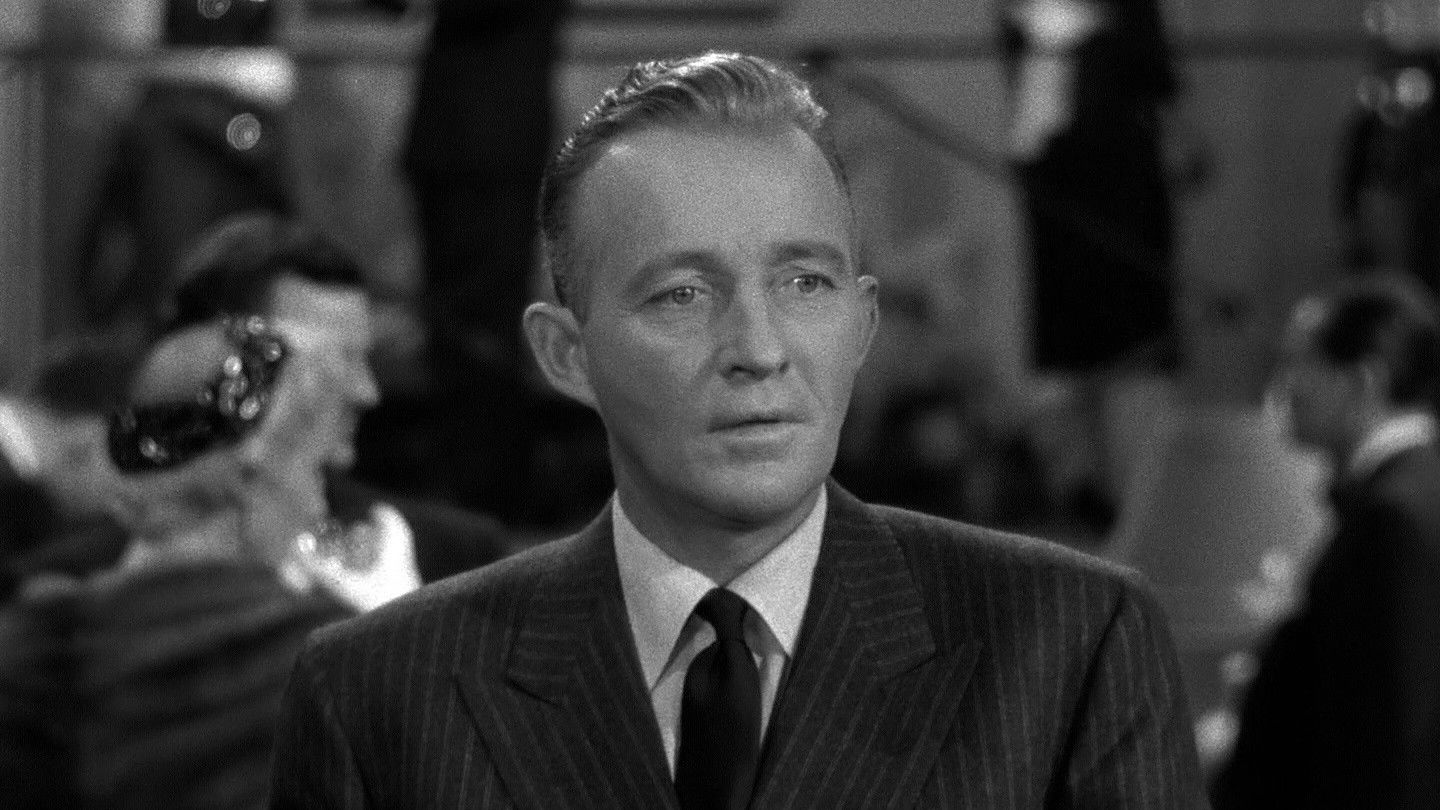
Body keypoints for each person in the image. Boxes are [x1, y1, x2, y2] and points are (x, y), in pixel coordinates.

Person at [270, 52, 1203, 808]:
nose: (758, 350)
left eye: (805, 284)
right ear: (566, 355)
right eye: (683, 294)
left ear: (863, 325)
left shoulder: (1073, 649)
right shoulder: (381, 696)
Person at [0, 317, 416, 810]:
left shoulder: (28, 644)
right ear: (250, 473)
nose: (318, 506)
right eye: (315, 470)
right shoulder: (325, 670)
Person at [166, 212, 512, 583]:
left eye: (365, 359)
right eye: (330, 362)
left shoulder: (458, 556)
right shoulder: (135, 562)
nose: (367, 393)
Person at [1213, 272, 1440, 808]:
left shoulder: (1392, 518)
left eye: (1300, 362)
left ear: (1363, 382)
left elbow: (1389, 743)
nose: (1282, 388)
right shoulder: (1410, 493)